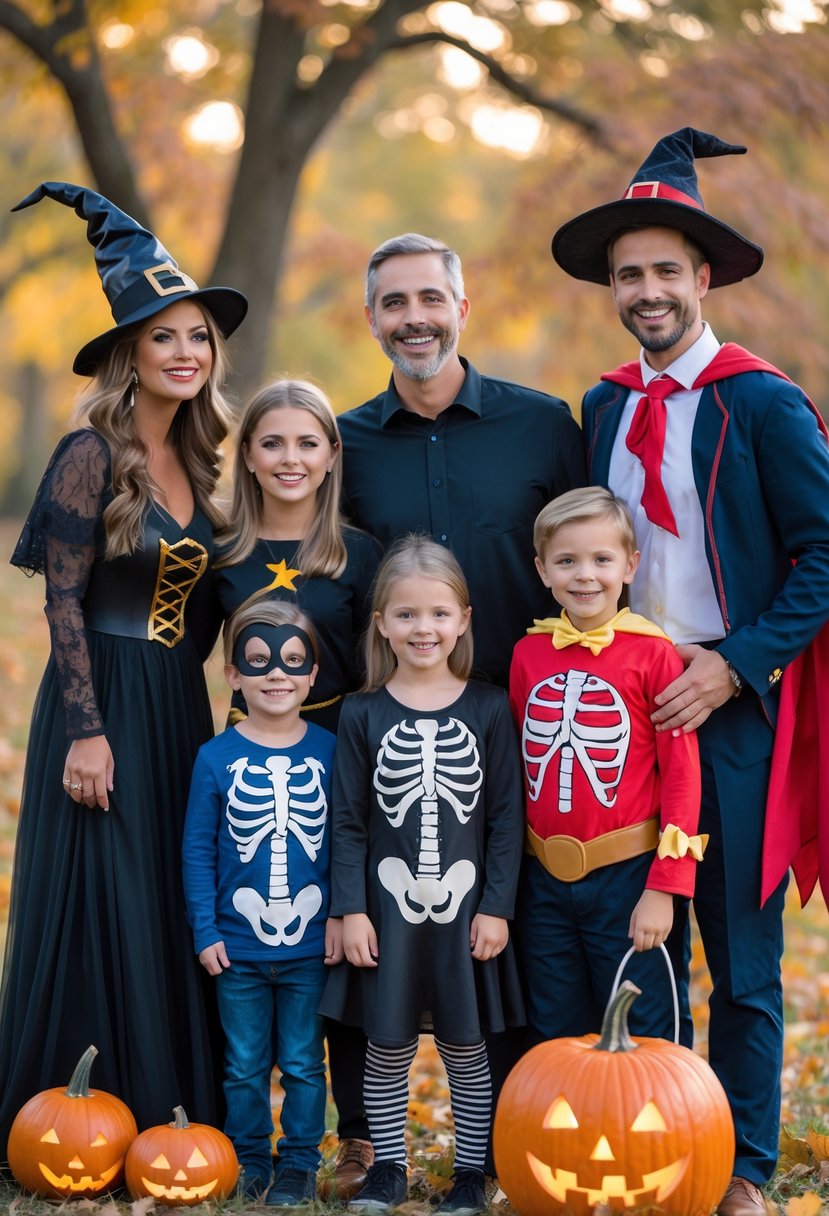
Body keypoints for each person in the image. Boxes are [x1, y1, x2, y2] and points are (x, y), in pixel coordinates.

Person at [551, 128, 829, 1216]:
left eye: (667, 269)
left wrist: (734, 665)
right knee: (639, 942)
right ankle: (651, 1138)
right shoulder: (604, 408)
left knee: (741, 962)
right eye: (630, 274)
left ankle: (745, 1166)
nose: (648, 289)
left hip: (732, 715)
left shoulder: (760, 402)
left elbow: (822, 555)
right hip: (623, 719)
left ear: (703, 278)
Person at [0, 181, 248, 1153]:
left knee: (163, 892)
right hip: (98, 698)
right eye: (165, 338)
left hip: (176, 704)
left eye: (198, 337)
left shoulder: (204, 457)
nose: (186, 352)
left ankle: (168, 1108)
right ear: (127, 354)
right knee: (104, 891)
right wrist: (88, 730)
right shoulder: (86, 453)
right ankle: (73, 1112)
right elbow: (60, 598)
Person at [211, 378, 382, 1197]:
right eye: (272, 442)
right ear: (247, 455)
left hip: (342, 764)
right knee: (254, 972)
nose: (290, 459)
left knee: (340, 955)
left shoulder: (358, 553)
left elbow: (377, 673)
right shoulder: (223, 556)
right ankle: (243, 1143)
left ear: (331, 454)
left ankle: (353, 1137)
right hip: (250, 757)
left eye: (307, 443)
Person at [320, 536, 525, 1216]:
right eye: (405, 615)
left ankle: (471, 1172)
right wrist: (349, 908)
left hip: (468, 907)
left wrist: (496, 906)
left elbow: (504, 818)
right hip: (386, 910)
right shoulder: (361, 712)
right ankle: (388, 1169)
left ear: (462, 619)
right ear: (381, 623)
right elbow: (346, 821)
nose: (422, 629)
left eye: (437, 614)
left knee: (468, 1047)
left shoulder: (490, 708)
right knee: (386, 1043)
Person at [337, 232, 586, 690]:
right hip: (394, 714)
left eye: (432, 299)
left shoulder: (543, 425)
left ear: (461, 311)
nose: (415, 319)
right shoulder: (343, 445)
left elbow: (596, 560)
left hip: (534, 707)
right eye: (394, 303)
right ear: (372, 320)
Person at [509, 486, 703, 1048]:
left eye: (602, 559)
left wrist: (665, 887)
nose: (585, 575)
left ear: (630, 565)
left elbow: (683, 777)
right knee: (553, 1029)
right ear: (543, 570)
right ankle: (558, 1139)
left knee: (643, 1029)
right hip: (543, 880)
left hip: (630, 877)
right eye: (567, 561)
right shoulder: (528, 655)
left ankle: (658, 1139)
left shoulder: (655, 653)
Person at [182, 599, 338, 1206]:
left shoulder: (329, 749)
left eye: (293, 661)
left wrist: (342, 918)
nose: (277, 673)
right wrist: (205, 930)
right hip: (237, 944)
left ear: (312, 676)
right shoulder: (215, 757)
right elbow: (198, 850)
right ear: (234, 675)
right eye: (259, 661)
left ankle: (298, 1162)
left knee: (303, 1063)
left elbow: (347, 842)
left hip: (310, 943)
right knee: (244, 1064)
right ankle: (248, 1159)